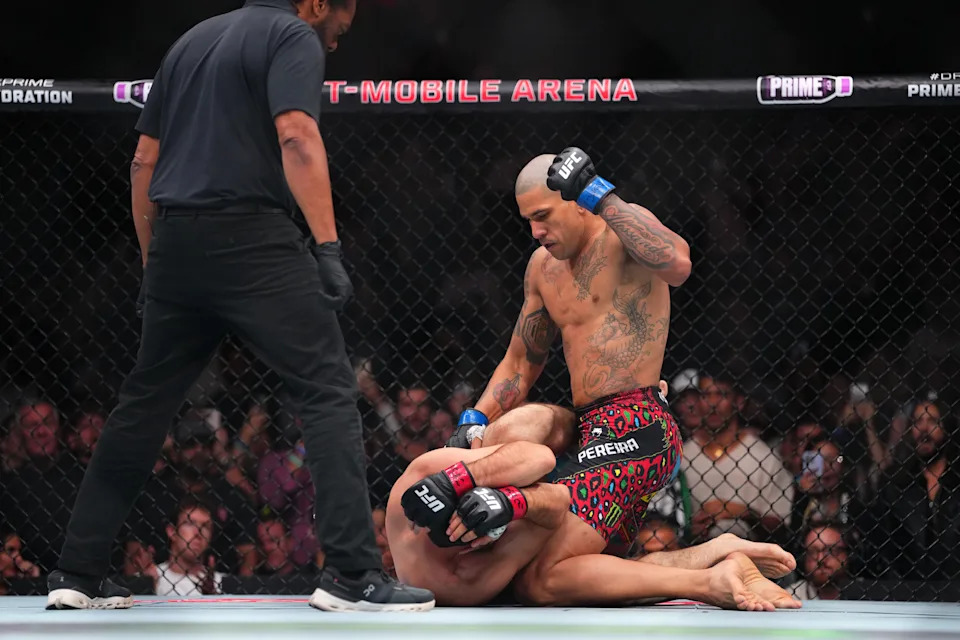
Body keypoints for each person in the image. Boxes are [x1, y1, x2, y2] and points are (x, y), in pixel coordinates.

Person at [46, 0, 433, 612]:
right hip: (253, 239)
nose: (335, 43)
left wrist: (152, 263)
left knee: (143, 406)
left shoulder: (191, 41)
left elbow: (143, 161)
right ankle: (353, 575)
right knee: (328, 389)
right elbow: (297, 134)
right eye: (338, 28)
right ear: (315, 3)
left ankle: (77, 571)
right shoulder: (292, 35)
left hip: (176, 241)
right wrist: (328, 246)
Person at [447, 147, 690, 557]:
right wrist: (476, 419)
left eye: (542, 216)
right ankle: (718, 563)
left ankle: (716, 572)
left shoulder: (622, 231)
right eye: (528, 220)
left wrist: (601, 194)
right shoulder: (541, 268)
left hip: (634, 422)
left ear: (577, 202)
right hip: (587, 428)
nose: (535, 231)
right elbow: (522, 360)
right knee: (591, 568)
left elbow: (678, 265)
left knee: (544, 565)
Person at [388, 433, 802, 609]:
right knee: (545, 580)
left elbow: (540, 459)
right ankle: (716, 558)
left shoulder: (423, 474)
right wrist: (515, 504)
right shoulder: (460, 580)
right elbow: (555, 503)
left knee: (542, 582)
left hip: (603, 446)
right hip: (607, 460)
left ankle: (709, 581)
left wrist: (467, 480)